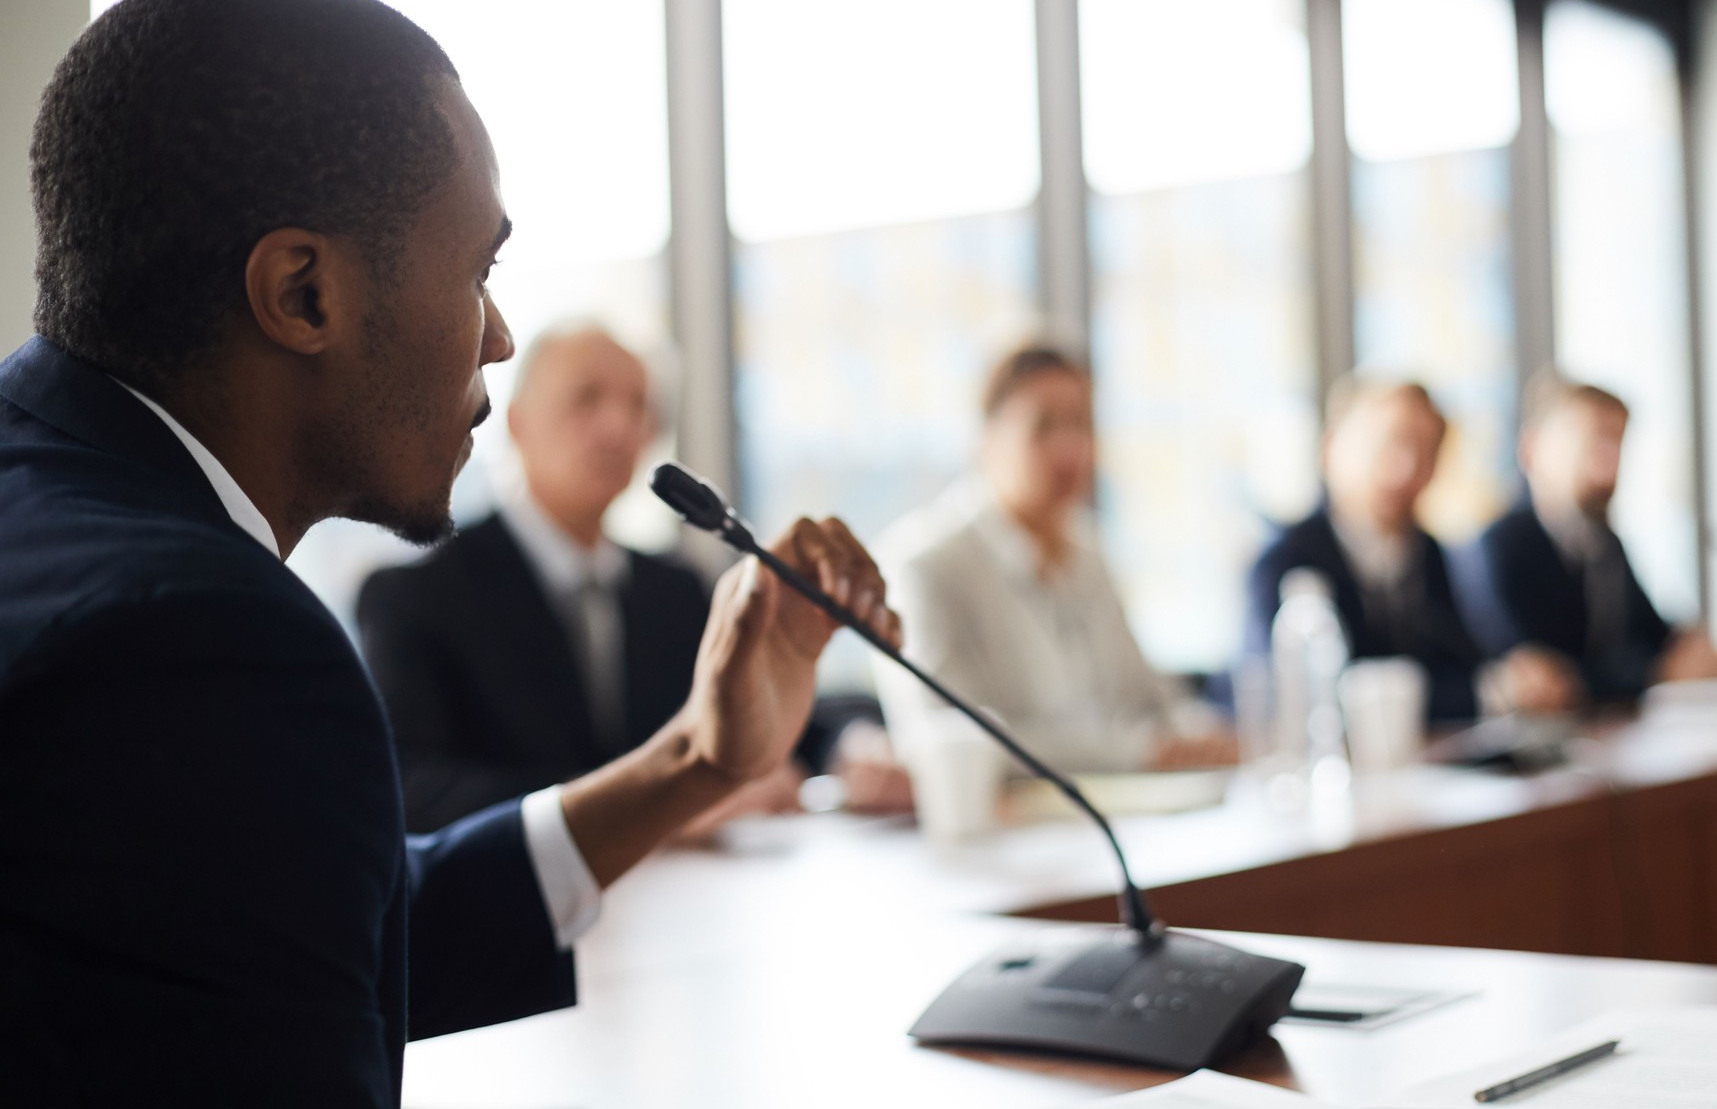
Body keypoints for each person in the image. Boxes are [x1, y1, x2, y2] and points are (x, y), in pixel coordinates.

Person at [0, 0, 894, 1109]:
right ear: (303, 292)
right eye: (478, 268)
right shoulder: (200, 636)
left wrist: (696, 758)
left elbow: (312, 919)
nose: (498, 336)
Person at [356, 322, 813, 834]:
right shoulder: (417, 598)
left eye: (638, 405)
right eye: (586, 399)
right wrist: (658, 804)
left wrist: (852, 746)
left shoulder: (677, 590)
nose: (619, 427)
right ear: (517, 424)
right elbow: (410, 788)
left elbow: (772, 723)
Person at [877, 345, 1235, 774]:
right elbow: (951, 740)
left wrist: (1196, 734)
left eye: (1081, 424)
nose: (1070, 449)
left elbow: (1152, 698)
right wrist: (1136, 751)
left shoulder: (1089, 551)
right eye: (1043, 427)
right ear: (987, 439)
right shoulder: (924, 564)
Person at [1244, 378, 1576, 722]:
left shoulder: (1427, 552)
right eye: (1387, 446)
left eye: (1426, 450)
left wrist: (1512, 677)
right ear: (1330, 450)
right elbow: (1311, 698)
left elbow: (1463, 660)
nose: (1405, 468)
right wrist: (1487, 692)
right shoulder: (1285, 562)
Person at [1455, 372, 1717, 704]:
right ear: (1532, 449)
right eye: (1591, 445)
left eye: (1617, 445)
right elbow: (1546, 677)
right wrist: (1655, 672)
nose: (1606, 468)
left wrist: (1688, 648)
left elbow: (1651, 634)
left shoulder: (1604, 544)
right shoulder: (1496, 548)